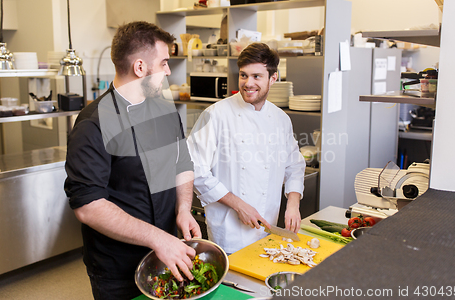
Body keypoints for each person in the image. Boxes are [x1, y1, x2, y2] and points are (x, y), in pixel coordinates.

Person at [64, 21, 201, 300]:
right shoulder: (94, 124)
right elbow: (89, 206)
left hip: (167, 254)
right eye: (163, 62)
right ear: (140, 68)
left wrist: (184, 209)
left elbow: (182, 163)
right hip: (117, 267)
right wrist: (158, 238)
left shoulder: (164, 109)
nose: (167, 71)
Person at [187, 42, 306, 254]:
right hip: (230, 232)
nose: (248, 83)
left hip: (269, 226)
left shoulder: (281, 119)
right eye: (243, 75)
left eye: (256, 76)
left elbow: (294, 164)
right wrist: (239, 205)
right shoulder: (216, 115)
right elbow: (195, 169)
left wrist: (293, 204)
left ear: (273, 78)